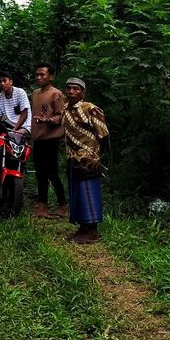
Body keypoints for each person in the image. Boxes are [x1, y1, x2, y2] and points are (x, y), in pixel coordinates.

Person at [61, 77, 110, 244]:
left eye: (76, 89)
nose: (72, 92)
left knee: (88, 191)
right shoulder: (65, 109)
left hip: (88, 159)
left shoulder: (91, 109)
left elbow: (103, 135)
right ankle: (82, 227)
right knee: (76, 192)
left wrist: (96, 155)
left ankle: (92, 231)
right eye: (69, 88)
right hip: (72, 158)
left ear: (83, 92)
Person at [29, 63, 67, 219]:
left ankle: (63, 205)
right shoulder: (35, 94)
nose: (39, 77)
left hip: (51, 139)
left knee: (52, 173)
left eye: (42, 75)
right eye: (37, 74)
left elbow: (61, 116)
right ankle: (42, 205)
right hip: (38, 139)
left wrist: (48, 120)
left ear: (51, 76)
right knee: (40, 173)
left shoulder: (56, 94)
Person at [0, 71, 31, 136]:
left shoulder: (20, 92)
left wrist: (14, 129)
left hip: (24, 125)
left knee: (14, 135)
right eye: (0, 82)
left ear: (10, 82)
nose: (2, 83)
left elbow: (24, 115)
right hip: (9, 125)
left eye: (4, 81)